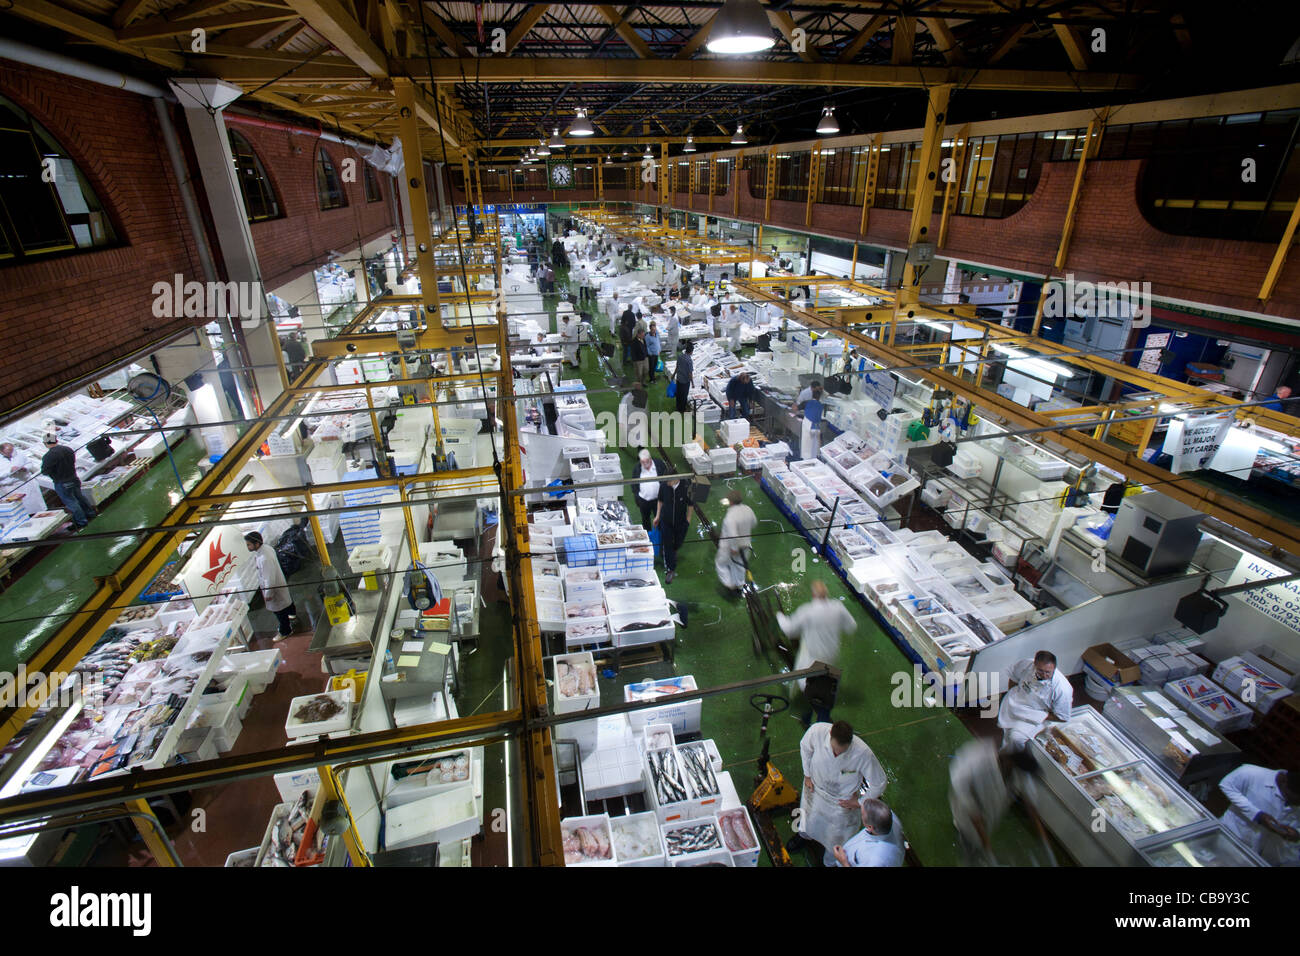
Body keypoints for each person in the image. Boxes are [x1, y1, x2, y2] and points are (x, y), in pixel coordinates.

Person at [792, 720, 888, 867]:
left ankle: (830, 862)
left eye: (842, 751)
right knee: (807, 818)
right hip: (814, 789)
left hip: (841, 803)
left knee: (836, 838)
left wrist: (859, 802)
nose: (837, 754)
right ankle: (803, 837)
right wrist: (807, 775)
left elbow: (879, 782)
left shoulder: (863, 753)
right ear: (830, 734)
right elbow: (805, 747)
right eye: (835, 749)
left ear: (850, 742)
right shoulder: (817, 731)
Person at [948, 738, 1044, 865]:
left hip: (987, 814)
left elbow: (1029, 798)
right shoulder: (978, 760)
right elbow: (964, 794)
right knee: (970, 843)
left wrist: (1042, 838)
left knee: (979, 843)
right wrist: (986, 844)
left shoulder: (1016, 768)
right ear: (1010, 761)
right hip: (968, 816)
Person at [778, 580, 856, 724]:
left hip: (811, 659)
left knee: (809, 689)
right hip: (830, 657)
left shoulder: (808, 611)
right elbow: (851, 626)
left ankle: (809, 720)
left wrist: (780, 617)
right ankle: (818, 719)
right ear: (826, 594)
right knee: (826, 689)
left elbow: (789, 630)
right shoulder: (838, 607)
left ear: (813, 594)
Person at [1218, 764, 1300, 865]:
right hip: (1232, 838)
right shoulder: (1250, 772)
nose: (1296, 805)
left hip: (1265, 856)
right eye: (1293, 800)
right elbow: (1226, 784)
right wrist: (1257, 815)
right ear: (1283, 781)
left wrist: (1297, 834)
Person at [996, 650, 1073, 753]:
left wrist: (1039, 716)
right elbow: (1013, 676)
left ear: (1054, 668)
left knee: (1016, 738)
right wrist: (1014, 694)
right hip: (1016, 703)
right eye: (1040, 671)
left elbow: (1063, 717)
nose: (1044, 675)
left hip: (1036, 715)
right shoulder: (1026, 664)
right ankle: (1004, 752)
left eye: (1048, 672)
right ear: (1035, 664)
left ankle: (1013, 759)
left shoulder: (1062, 689)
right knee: (1007, 732)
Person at [245, 531, 298, 639]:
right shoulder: (267, 549)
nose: (247, 547)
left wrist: (268, 594)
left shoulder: (264, 559)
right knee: (286, 600)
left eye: (249, 544)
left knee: (279, 611)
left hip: (274, 588)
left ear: (257, 544)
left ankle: (285, 631)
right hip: (279, 583)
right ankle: (292, 613)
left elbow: (269, 580)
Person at [40, 433, 96, 529]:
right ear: (56, 440)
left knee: (71, 502)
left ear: (45, 443)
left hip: (62, 482)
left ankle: (81, 522)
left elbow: (45, 471)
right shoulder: (67, 449)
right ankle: (90, 513)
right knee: (80, 497)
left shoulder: (49, 456)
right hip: (74, 478)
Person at [831, 798, 905, 868]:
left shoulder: (875, 859)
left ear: (870, 827)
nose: (861, 814)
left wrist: (843, 862)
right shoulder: (890, 818)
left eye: (862, 814)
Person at [653, 474, 693, 583]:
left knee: (678, 543)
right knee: (668, 545)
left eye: (668, 481)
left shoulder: (686, 486)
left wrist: (688, 520)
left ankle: (674, 551)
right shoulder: (664, 486)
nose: (666, 483)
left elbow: (690, 504)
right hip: (666, 522)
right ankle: (670, 569)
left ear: (676, 479)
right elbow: (660, 501)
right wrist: (657, 516)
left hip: (681, 523)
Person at [714, 496, 757, 593]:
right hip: (745, 544)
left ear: (731, 502)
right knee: (740, 565)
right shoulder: (748, 509)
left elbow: (733, 535)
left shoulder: (730, 516)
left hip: (730, 546)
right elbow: (754, 523)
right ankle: (740, 584)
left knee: (721, 564)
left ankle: (730, 585)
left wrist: (734, 548)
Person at [0, 441, 45, 515]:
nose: (11, 454)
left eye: (11, 451)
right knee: (22, 511)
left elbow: (29, 463)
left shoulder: (19, 454)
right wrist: (9, 471)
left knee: (36, 507)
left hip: (26, 482)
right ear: (1, 452)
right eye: (8, 453)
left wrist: (25, 468)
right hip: (12, 487)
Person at [632, 449, 664, 531]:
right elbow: (634, 485)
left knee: (660, 518)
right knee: (645, 520)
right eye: (643, 462)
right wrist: (638, 498)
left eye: (647, 461)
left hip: (658, 500)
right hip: (643, 500)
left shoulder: (659, 464)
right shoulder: (637, 469)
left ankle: (661, 537)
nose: (645, 464)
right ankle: (648, 537)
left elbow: (665, 480)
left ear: (650, 458)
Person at [673, 341, 694, 415]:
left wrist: (673, 375)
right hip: (685, 381)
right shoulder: (689, 360)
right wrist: (692, 383)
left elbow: (677, 366)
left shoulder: (680, 356)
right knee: (684, 395)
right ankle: (682, 409)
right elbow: (690, 373)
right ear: (691, 351)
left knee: (678, 394)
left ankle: (678, 407)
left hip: (679, 378)